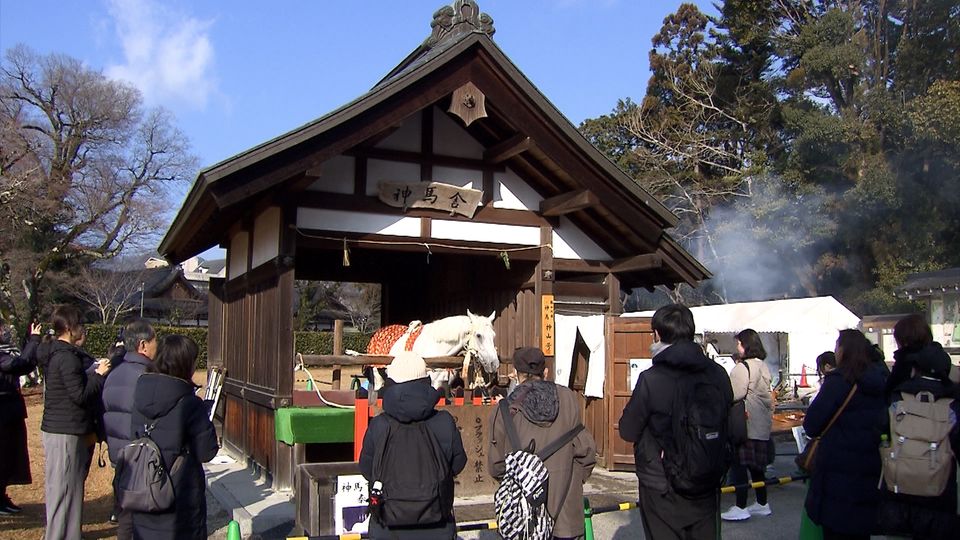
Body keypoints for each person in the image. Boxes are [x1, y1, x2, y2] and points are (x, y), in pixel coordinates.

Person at [619, 304, 733, 540]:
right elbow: (733, 426)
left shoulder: (651, 379)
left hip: (661, 484)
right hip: (707, 479)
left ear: (657, 334)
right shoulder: (717, 374)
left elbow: (628, 430)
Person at [488, 347, 596, 540]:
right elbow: (586, 451)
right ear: (545, 372)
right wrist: (571, 482)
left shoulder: (504, 410)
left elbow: (496, 466)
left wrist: (524, 483)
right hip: (566, 516)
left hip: (525, 520)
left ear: (515, 374)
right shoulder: (568, 399)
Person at [359, 351, 466, 539]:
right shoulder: (444, 422)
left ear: (391, 383)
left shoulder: (379, 425)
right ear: (426, 381)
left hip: (387, 526)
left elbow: (367, 469)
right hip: (438, 523)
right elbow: (458, 463)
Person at [876, 315, 960, 538]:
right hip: (940, 485)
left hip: (900, 485)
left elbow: (882, 427)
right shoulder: (952, 388)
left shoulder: (898, 386)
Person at [128, 334, 218, 539]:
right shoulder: (189, 403)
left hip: (143, 488)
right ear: (186, 364)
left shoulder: (140, 393)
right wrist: (204, 417)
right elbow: (207, 451)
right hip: (179, 495)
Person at [803, 329, 887, 540]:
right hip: (870, 467)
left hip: (837, 471)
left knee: (837, 530)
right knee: (860, 530)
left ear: (843, 350)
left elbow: (812, 424)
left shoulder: (838, 382)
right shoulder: (880, 381)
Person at [40, 304, 111, 540]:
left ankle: (71, 534)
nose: (83, 329)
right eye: (80, 325)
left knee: (70, 488)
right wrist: (98, 375)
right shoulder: (66, 357)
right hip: (65, 431)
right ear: (70, 328)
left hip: (64, 429)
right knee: (62, 490)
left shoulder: (59, 354)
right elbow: (79, 395)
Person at [102, 319, 157, 536]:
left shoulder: (114, 372)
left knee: (124, 511)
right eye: (155, 341)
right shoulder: (146, 376)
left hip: (118, 451)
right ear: (143, 345)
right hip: (139, 454)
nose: (157, 346)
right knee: (138, 516)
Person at [722, 328, 775, 521]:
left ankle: (740, 506)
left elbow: (733, 394)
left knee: (739, 466)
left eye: (738, 343)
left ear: (745, 345)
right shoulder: (762, 366)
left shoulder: (742, 368)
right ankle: (762, 503)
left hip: (745, 424)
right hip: (761, 424)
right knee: (757, 468)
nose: (737, 347)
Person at [0, 320, 42, 514]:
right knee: (3, 456)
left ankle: (2, 495)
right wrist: (33, 340)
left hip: (10, 411)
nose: (4, 332)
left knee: (9, 456)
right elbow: (17, 365)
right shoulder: (3, 357)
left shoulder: (7, 351)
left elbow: (24, 365)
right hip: (3, 412)